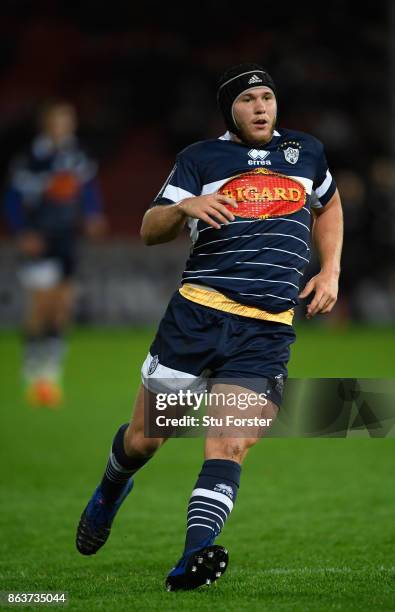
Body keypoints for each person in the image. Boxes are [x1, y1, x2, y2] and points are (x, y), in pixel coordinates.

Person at [76, 63, 343, 591]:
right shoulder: (200, 159)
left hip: (266, 331)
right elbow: (151, 228)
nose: (261, 106)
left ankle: (194, 557)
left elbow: (329, 206)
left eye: (267, 96)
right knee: (146, 439)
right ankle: (111, 487)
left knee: (230, 442)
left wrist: (331, 268)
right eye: (248, 100)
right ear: (231, 112)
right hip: (199, 318)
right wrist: (186, 208)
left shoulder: (306, 152)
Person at [4, 101, 105, 407]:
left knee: (62, 304)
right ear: (47, 124)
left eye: (68, 121)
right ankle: (32, 367)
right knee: (41, 304)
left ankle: (52, 370)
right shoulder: (32, 160)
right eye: (60, 120)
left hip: (67, 239)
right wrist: (23, 232)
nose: (66, 126)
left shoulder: (76, 155)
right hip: (41, 239)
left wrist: (92, 214)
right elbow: (11, 198)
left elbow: (88, 189)